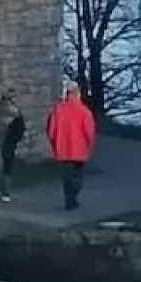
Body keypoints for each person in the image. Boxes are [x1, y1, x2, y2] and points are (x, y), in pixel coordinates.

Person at [46, 84, 97, 212]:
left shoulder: (58, 110)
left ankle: (69, 199)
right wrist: (89, 146)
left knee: (67, 176)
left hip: (62, 149)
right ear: (77, 94)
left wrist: (54, 143)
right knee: (78, 176)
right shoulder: (84, 111)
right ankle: (72, 197)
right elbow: (89, 132)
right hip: (80, 150)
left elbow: (51, 131)